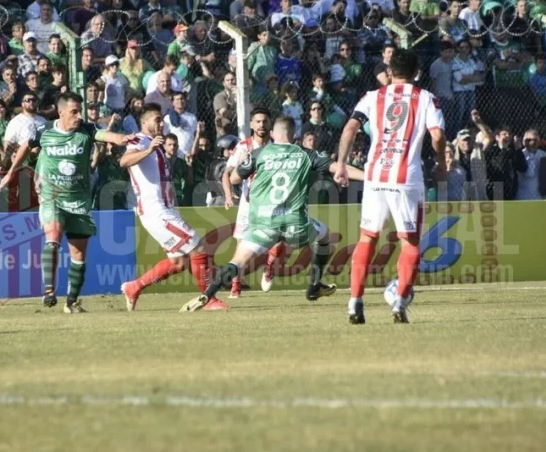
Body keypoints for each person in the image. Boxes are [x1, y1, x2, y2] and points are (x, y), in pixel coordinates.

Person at [180, 116, 365, 313]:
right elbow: (337, 167)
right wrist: (369, 177)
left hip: (263, 223)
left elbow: (233, 178)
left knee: (237, 262)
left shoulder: (259, 153)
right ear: (293, 135)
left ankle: (208, 295)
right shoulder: (304, 153)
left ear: (273, 134)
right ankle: (314, 285)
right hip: (296, 223)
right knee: (325, 236)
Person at [334, 49, 447, 325]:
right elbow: (437, 134)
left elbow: (349, 129)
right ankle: (399, 301)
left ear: (390, 71)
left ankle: (354, 302)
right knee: (410, 243)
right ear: (417, 72)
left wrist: (341, 164)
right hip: (406, 177)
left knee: (367, 238)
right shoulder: (426, 99)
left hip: (375, 176)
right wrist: (441, 161)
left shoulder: (372, 97)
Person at [0, 92, 137, 313]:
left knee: (79, 255)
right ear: (60, 111)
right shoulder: (44, 131)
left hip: (79, 200)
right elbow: (25, 146)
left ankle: (71, 302)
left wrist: (123, 138)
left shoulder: (87, 130)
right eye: (74, 112)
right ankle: (49, 291)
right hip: (51, 196)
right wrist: (11, 172)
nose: (78, 116)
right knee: (53, 237)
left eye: (79, 111)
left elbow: (107, 135)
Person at [119, 103, 227, 312]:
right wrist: (149, 148)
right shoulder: (140, 140)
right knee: (198, 248)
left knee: (179, 262)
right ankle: (208, 300)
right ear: (144, 122)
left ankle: (134, 287)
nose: (161, 123)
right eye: (156, 120)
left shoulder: (157, 145)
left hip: (165, 211)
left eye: (162, 120)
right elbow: (124, 161)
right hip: (156, 211)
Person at [221, 107, 286, 299]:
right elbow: (227, 172)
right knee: (241, 246)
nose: (261, 125)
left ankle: (269, 267)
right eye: (258, 121)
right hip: (249, 203)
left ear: (270, 124)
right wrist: (227, 194)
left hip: (274, 201)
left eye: (265, 121)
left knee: (280, 241)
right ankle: (236, 286)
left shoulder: (279, 146)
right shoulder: (243, 147)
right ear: (251, 124)